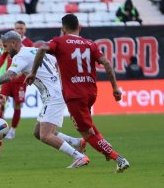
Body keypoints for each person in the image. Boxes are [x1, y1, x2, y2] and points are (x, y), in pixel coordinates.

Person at [24, 14, 130, 172]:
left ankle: (118, 158)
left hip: (75, 95)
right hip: (91, 93)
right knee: (89, 127)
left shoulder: (59, 41)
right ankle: (105, 147)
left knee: (88, 133)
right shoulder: (90, 44)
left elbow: (42, 49)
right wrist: (114, 87)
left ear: (63, 28)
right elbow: (106, 63)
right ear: (79, 27)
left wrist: (32, 72)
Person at [0, 31, 88, 168]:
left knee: (45, 135)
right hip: (53, 94)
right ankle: (77, 142)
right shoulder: (33, 50)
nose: (5, 49)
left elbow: (9, 76)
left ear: (13, 43)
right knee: (38, 132)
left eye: (5, 46)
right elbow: (55, 63)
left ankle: (79, 157)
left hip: (54, 96)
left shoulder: (20, 56)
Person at [0, 21, 34, 139]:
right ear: (14, 29)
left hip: (20, 81)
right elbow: (3, 56)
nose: (19, 30)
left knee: (17, 105)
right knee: (1, 102)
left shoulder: (29, 43)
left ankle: (12, 130)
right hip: (8, 79)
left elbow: (33, 61)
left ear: (25, 30)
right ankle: (0, 128)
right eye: (17, 28)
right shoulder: (9, 41)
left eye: (21, 28)